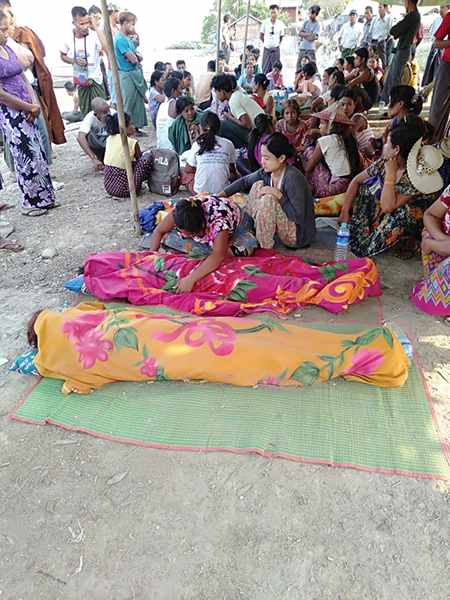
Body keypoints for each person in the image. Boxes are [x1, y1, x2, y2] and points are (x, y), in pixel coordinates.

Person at [27, 301, 410, 395]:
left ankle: (379, 352)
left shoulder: (59, 363)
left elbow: (81, 384)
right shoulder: (76, 315)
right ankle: (376, 346)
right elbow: (103, 310)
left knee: (258, 352)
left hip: (169, 348)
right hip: (170, 331)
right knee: (258, 335)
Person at [338, 119, 442, 258]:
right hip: (390, 203)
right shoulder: (386, 160)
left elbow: (388, 207)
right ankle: (371, 231)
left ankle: (411, 240)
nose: (384, 145)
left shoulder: (415, 176)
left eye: (387, 143)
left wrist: (390, 174)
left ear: (396, 150)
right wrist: (345, 211)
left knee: (405, 213)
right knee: (365, 190)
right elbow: (356, 181)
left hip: (410, 212)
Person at [0, 9, 56, 216]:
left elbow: (23, 76)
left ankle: (46, 198)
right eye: (3, 29)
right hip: (12, 113)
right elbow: (2, 95)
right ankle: (30, 202)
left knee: (38, 153)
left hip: (28, 107)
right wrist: (27, 107)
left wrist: (33, 103)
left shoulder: (7, 49)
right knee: (24, 155)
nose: (8, 33)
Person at [220, 132, 316, 250]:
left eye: (267, 158)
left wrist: (277, 194)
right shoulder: (267, 171)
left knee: (268, 199)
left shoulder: (292, 178)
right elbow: (244, 181)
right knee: (257, 185)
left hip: (297, 235)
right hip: (283, 224)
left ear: (281, 158)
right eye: (262, 156)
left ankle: (263, 247)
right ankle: (247, 228)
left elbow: (298, 217)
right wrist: (220, 195)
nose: (262, 162)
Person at [151, 196, 258, 288]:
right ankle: (212, 249)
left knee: (241, 248)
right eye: (182, 232)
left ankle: (214, 249)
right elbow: (159, 231)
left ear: (200, 228)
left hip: (239, 229)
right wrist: (150, 256)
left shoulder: (219, 221)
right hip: (212, 235)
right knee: (168, 239)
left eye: (187, 234)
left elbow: (218, 255)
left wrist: (190, 279)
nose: (183, 236)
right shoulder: (180, 211)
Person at [13, 14, 66, 147]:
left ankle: (48, 145)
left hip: (33, 80)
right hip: (25, 83)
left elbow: (28, 61)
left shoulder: (22, 32)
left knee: (43, 113)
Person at [300, 102, 359, 198]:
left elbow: (307, 168)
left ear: (331, 126)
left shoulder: (325, 140)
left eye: (322, 123)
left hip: (332, 188)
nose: (319, 126)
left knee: (309, 151)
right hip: (347, 184)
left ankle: (310, 189)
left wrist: (299, 155)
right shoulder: (344, 137)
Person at [410, 187, 450, 320]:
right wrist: (444, 240)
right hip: (445, 247)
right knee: (429, 231)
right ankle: (435, 283)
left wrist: (431, 244)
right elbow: (430, 215)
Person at [60, 6, 107, 117]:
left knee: (103, 111)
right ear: (74, 23)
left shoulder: (93, 35)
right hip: (81, 80)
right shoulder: (68, 38)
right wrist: (74, 61)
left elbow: (106, 47)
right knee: (87, 113)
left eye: (87, 23)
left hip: (96, 80)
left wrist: (95, 26)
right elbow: (62, 56)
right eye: (82, 24)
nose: (85, 27)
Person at [181, 111, 236, 195]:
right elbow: (232, 169)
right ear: (219, 127)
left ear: (201, 127)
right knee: (233, 176)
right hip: (222, 193)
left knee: (184, 174)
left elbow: (188, 170)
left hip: (200, 193)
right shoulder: (228, 144)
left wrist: (201, 166)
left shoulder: (197, 144)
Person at [380, 0, 421, 105]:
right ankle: (389, 103)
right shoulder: (414, 16)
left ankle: (395, 104)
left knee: (395, 78)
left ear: (409, 1)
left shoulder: (412, 16)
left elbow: (394, 30)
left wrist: (399, 30)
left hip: (404, 49)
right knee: (392, 76)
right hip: (403, 48)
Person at [103, 112, 152, 198]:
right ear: (123, 127)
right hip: (125, 189)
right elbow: (140, 161)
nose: (133, 127)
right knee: (146, 158)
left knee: (130, 164)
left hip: (109, 187)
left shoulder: (109, 139)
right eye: (131, 124)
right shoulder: (132, 142)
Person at [114, 11, 148, 134]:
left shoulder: (127, 39)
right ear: (126, 23)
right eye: (132, 24)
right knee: (129, 103)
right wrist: (135, 57)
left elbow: (138, 56)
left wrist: (136, 57)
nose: (133, 27)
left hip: (134, 73)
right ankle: (126, 129)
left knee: (138, 103)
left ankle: (136, 128)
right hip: (128, 74)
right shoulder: (120, 40)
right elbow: (133, 60)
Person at [211, 73, 264, 149]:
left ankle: (245, 149)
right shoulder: (237, 94)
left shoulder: (233, 101)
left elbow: (248, 125)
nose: (216, 96)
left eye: (216, 92)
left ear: (222, 92)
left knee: (224, 125)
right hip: (261, 130)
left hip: (257, 135)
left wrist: (230, 118)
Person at [428, 10, 450, 143]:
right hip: (447, 65)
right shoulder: (449, 17)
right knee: (437, 108)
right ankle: (431, 145)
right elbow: (437, 43)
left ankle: (443, 144)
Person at [77, 97, 115, 170]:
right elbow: (80, 137)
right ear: (95, 114)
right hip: (98, 142)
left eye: (108, 110)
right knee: (87, 136)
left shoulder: (114, 114)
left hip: (111, 141)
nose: (108, 114)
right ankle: (99, 159)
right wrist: (93, 158)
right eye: (104, 112)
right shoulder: (89, 117)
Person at [339, 88, 375, 160]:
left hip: (367, 159)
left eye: (349, 104)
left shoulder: (358, 118)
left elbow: (347, 135)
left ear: (354, 105)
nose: (345, 108)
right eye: (342, 104)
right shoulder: (345, 119)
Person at [422, 5, 449, 87]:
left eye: (442, 8)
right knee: (431, 72)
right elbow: (435, 41)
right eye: (440, 8)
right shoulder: (439, 20)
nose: (440, 10)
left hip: (443, 50)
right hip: (441, 51)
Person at [156, 76, 181, 150]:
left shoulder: (162, 105)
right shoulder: (175, 104)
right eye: (179, 88)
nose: (181, 91)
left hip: (160, 145)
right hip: (171, 147)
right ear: (174, 91)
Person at [260, 4, 285, 74]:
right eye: (271, 13)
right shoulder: (265, 23)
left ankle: (275, 84)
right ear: (269, 13)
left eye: (275, 12)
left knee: (276, 68)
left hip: (276, 50)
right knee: (265, 68)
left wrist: (276, 44)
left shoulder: (280, 24)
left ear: (278, 13)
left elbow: (281, 37)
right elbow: (261, 36)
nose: (273, 15)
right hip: (267, 49)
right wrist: (267, 43)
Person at [104, 2, 120, 109]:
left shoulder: (116, 28)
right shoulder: (107, 28)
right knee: (115, 98)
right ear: (114, 12)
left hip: (119, 67)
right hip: (113, 67)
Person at [297, 5, 321, 69]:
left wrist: (304, 35)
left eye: (312, 13)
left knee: (311, 67)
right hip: (303, 47)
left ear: (315, 14)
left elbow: (312, 38)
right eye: (309, 13)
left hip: (311, 49)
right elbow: (299, 33)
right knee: (299, 66)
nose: (310, 15)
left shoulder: (317, 25)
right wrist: (310, 34)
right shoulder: (306, 22)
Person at [370, 4, 392, 69]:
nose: (379, 9)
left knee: (382, 60)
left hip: (382, 41)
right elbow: (371, 31)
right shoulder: (375, 19)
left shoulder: (389, 18)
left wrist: (384, 41)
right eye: (378, 7)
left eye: (380, 7)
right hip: (374, 40)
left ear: (385, 8)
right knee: (372, 59)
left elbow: (390, 32)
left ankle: (382, 73)